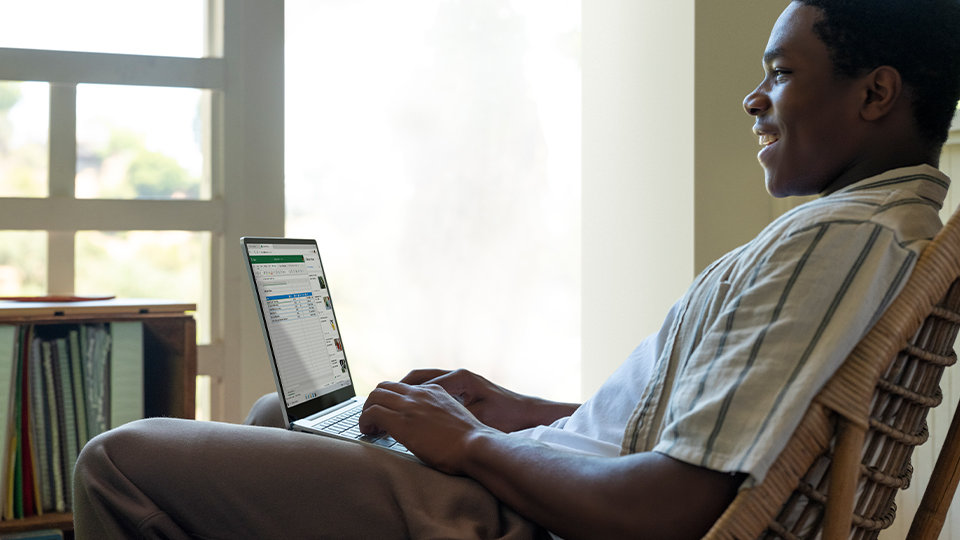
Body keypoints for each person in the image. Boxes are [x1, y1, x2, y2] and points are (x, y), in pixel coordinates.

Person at [73, 1, 960, 538]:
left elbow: (670, 511)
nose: (754, 98)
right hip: (554, 492)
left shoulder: (839, 242)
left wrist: (473, 445)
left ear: (875, 94)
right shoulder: (870, 232)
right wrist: (516, 410)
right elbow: (697, 431)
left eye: (781, 72)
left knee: (119, 462)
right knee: (286, 415)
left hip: (538, 527)